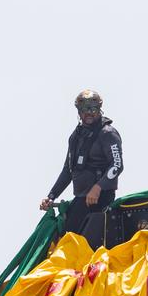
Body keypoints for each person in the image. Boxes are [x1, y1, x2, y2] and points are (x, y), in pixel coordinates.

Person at [39, 89, 123, 243]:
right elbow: (68, 170)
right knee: (64, 237)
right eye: (84, 109)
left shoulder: (108, 133)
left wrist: (97, 188)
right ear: (79, 111)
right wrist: (51, 196)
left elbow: (117, 165)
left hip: (100, 198)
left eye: (92, 109)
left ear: (99, 109)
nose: (89, 113)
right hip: (81, 198)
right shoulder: (75, 137)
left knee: (76, 241)